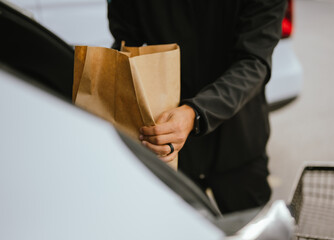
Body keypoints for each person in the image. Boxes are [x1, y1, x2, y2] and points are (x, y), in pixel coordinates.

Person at [107, 0, 286, 214]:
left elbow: (254, 61)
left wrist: (196, 112)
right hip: (168, 143)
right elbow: (127, 43)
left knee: (249, 227)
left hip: (238, 141)